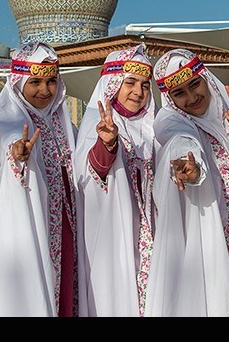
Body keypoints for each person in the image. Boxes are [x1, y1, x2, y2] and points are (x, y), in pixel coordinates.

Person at [144, 48, 229, 317]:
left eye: (195, 84)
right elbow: (180, 141)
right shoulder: (172, 123)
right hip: (215, 233)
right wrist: (189, 167)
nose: (192, 97)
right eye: (180, 93)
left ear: (205, 78)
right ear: (170, 100)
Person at [0, 41, 83, 317]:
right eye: (35, 81)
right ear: (18, 83)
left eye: (51, 81)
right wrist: (18, 153)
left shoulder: (61, 122)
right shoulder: (7, 121)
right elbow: (10, 145)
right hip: (32, 227)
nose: (44, 90)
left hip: (65, 227)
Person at [73, 43, 156, 317]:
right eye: (130, 82)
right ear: (113, 84)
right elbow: (93, 171)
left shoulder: (153, 127)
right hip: (115, 236)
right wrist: (106, 144)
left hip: (151, 240)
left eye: (145, 85)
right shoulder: (100, 123)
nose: (138, 92)